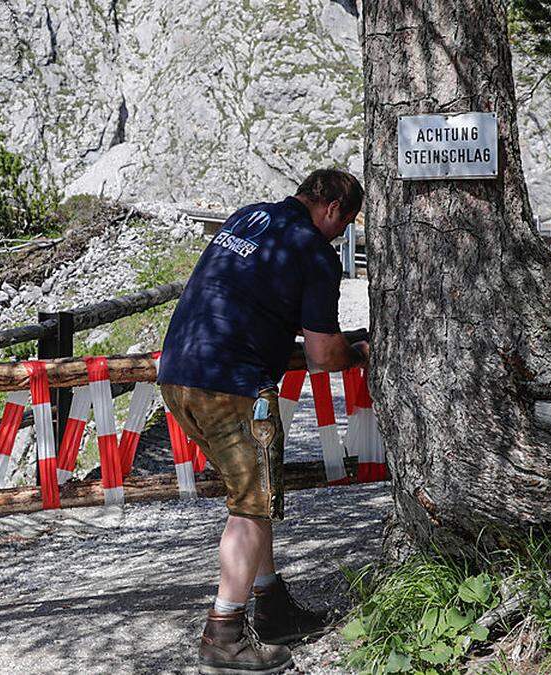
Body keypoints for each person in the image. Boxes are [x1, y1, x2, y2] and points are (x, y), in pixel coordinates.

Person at [158, 169, 370, 675]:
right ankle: (224, 635)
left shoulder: (247, 217)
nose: (341, 235)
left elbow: (247, 294)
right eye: (347, 224)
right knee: (251, 507)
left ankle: (272, 607)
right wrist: (358, 350)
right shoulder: (313, 250)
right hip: (231, 385)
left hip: (178, 374)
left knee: (254, 494)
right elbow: (321, 354)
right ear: (334, 208)